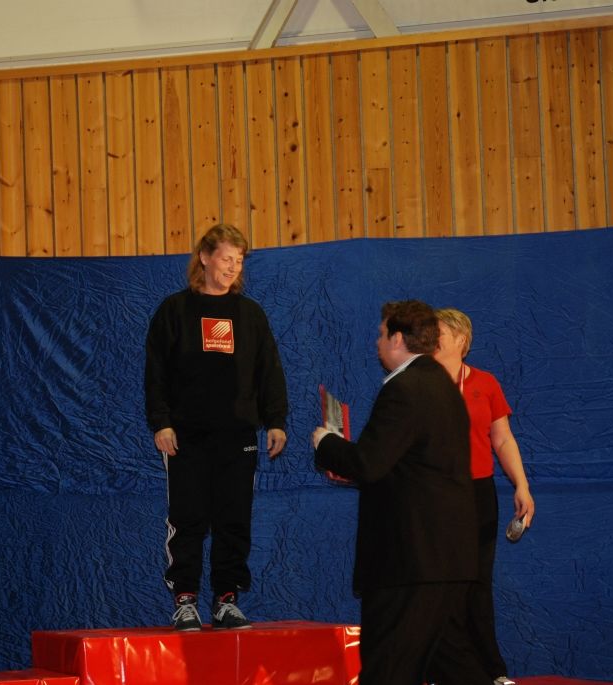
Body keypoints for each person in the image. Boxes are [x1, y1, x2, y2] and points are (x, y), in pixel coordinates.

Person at [312, 300, 490, 685]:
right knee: (454, 665)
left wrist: (326, 443)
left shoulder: (405, 388)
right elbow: (405, 466)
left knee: (388, 668)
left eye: (381, 334)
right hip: (444, 559)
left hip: (410, 560)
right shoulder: (442, 386)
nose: (377, 342)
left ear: (397, 338)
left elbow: (369, 463)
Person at [144, 223, 288, 631]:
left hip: (238, 435)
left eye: (238, 261)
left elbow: (269, 370)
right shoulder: (174, 311)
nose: (232, 267)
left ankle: (227, 599)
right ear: (204, 258)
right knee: (188, 517)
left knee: (234, 518)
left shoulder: (250, 314)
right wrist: (161, 423)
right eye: (226, 258)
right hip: (186, 436)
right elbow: (155, 373)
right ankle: (185, 600)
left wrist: (276, 421)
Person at [432, 307, 535, 685]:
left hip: (477, 494)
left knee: (477, 584)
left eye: (439, 333)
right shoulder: (418, 383)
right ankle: (444, 671)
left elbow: (502, 439)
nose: (431, 339)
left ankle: (492, 671)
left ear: (461, 339)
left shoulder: (485, 383)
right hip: (434, 496)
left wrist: (521, 485)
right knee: (440, 585)